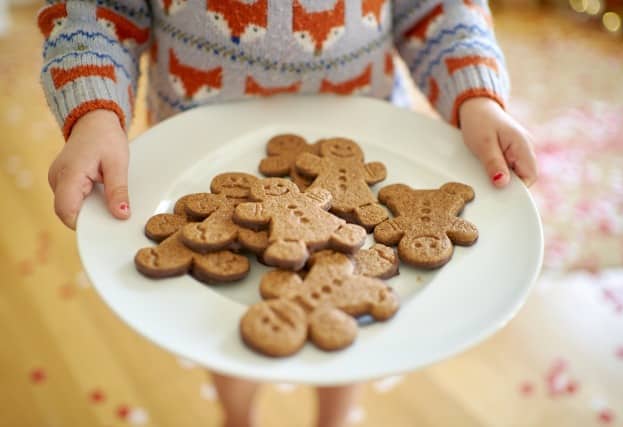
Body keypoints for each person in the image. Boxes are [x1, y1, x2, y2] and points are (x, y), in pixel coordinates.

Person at [38, 1, 537, 426]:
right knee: (223, 318)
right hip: (199, 161)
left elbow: (438, 8)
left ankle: (334, 416)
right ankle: (237, 416)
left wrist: (475, 94)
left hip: (363, 140)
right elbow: (97, 13)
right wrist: (96, 111)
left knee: (349, 312)